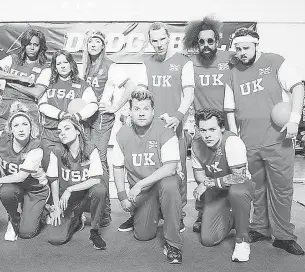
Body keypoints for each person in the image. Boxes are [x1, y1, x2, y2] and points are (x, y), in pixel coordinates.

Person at [224, 28, 305, 255]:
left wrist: (295, 120)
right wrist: (235, 139)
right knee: (256, 189)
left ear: (256, 45)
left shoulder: (275, 62)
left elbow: (298, 87)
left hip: (278, 140)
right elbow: (229, 109)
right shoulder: (232, 73)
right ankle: (260, 228)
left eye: (246, 48)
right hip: (248, 142)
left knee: (281, 190)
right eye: (238, 49)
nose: (241, 53)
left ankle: (284, 236)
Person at [121, 22, 195, 232]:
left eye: (162, 39)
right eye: (154, 40)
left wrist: (179, 116)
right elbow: (141, 92)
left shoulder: (183, 62)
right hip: (149, 128)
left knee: (177, 173)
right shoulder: (147, 63)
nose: (159, 44)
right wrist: (130, 112)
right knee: (143, 170)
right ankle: (138, 211)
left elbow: (189, 94)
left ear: (169, 37)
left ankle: (177, 215)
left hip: (174, 127)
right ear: (150, 41)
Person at [113, 90, 183, 263]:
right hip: (144, 192)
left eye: (146, 108)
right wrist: (122, 196)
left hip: (162, 185)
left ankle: (173, 244)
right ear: (130, 111)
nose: (141, 112)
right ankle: (157, 211)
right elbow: (117, 167)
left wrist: (139, 184)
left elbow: (170, 168)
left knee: (169, 184)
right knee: (143, 235)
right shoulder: (122, 134)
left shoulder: (165, 130)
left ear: (153, 111)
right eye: (136, 109)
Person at [182, 16, 235, 233]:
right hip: (201, 129)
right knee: (201, 173)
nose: (206, 46)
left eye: (210, 41)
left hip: (224, 128)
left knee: (228, 170)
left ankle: (230, 211)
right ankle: (202, 211)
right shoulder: (189, 62)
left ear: (217, 41)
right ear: (196, 42)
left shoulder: (230, 59)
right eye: (201, 42)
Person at [81, 30, 138, 227]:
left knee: (100, 160)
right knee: (88, 159)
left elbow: (131, 86)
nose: (94, 45)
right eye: (90, 42)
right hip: (86, 118)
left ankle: (104, 211)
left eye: (97, 42)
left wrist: (115, 107)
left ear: (103, 45)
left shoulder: (110, 66)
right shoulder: (86, 66)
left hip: (102, 118)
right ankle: (91, 206)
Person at [0, 102, 50, 241]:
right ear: (10, 129)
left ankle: (42, 210)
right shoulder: (2, 138)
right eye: (16, 125)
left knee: (27, 233)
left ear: (31, 127)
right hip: (15, 187)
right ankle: (13, 219)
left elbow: (21, 176)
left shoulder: (36, 146)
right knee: (6, 191)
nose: (21, 129)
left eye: (24, 124)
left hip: (35, 189)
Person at [191, 109, 254, 262]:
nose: (207, 135)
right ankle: (233, 218)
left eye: (212, 129)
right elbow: (199, 176)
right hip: (216, 190)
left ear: (222, 128)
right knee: (208, 240)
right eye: (203, 130)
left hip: (239, 186)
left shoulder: (232, 142)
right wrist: (207, 184)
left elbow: (239, 177)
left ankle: (242, 240)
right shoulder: (196, 144)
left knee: (237, 192)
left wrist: (209, 183)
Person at [46, 116, 107, 250]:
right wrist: (56, 206)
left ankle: (95, 231)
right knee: (55, 239)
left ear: (78, 130)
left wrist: (70, 189)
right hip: (67, 202)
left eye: (67, 128)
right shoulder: (56, 151)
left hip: (86, 198)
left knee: (99, 189)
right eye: (59, 130)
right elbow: (53, 180)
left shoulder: (90, 149)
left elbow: (96, 179)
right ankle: (77, 220)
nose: (62, 132)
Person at [38, 50, 98, 162]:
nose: (62, 66)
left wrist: (77, 116)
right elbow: (42, 105)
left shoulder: (82, 84)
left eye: (65, 62)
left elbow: (93, 105)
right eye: (58, 64)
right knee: (49, 168)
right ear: (55, 67)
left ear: (71, 63)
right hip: (51, 134)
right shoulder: (49, 83)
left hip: (73, 136)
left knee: (70, 168)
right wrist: (61, 114)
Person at [0, 28, 50, 130]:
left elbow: (37, 92)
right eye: (29, 44)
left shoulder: (45, 68)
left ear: (41, 47)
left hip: (28, 109)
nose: (32, 48)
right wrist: (19, 78)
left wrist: (12, 83)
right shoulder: (13, 59)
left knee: (28, 143)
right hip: (6, 108)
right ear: (24, 45)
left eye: (36, 45)